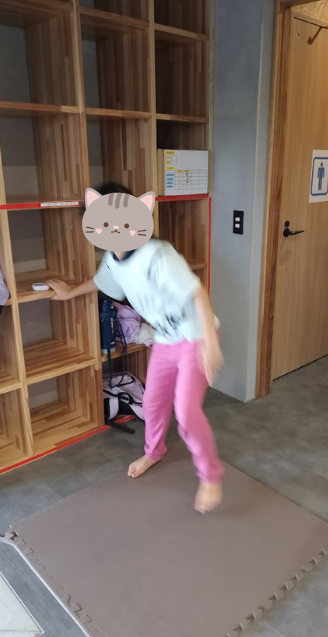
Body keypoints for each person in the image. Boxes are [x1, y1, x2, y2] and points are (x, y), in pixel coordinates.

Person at [46, 182, 225, 514]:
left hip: (196, 336)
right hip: (166, 339)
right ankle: (154, 452)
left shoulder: (159, 255)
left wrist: (211, 346)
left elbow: (197, 292)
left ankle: (210, 475)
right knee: (153, 401)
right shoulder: (112, 257)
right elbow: (103, 281)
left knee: (186, 412)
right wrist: (69, 293)